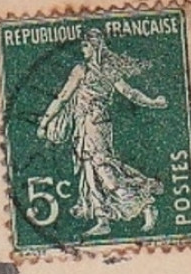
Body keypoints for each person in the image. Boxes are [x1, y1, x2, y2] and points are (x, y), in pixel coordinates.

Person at [36, 28, 168, 236]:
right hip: (90, 125)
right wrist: (153, 102)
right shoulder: (99, 70)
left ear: (96, 46)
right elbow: (130, 93)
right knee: (90, 171)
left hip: (93, 125)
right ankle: (102, 218)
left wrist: (45, 122)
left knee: (103, 169)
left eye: (87, 45)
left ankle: (144, 203)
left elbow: (63, 97)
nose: (84, 49)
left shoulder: (86, 70)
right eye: (83, 45)